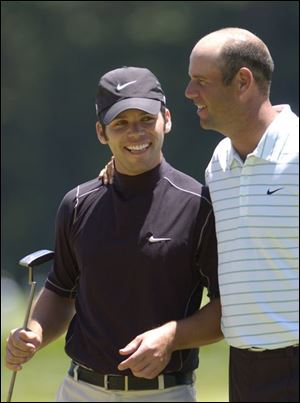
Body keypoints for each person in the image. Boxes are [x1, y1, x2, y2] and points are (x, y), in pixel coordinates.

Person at [99, 28, 299, 402]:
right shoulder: (219, 164)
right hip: (246, 369)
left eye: (201, 81)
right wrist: (122, 163)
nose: (190, 93)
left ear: (242, 81)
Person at [5, 66, 223, 402]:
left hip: (166, 393)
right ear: (101, 132)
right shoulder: (77, 204)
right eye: (120, 123)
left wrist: (171, 337)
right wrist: (34, 333)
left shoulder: (199, 206)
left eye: (145, 120)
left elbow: (225, 309)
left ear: (166, 119)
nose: (135, 133)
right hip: (80, 390)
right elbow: (61, 290)